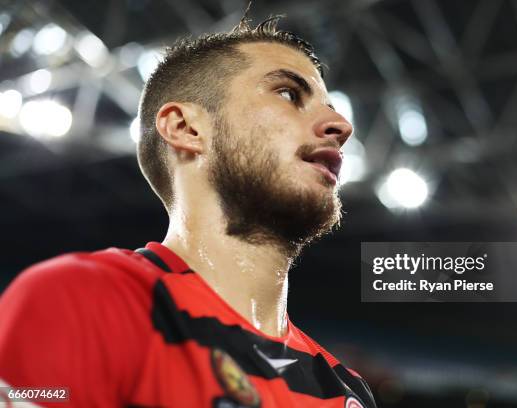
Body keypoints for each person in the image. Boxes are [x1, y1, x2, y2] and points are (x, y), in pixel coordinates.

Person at [0, 13, 376, 408]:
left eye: (330, 106)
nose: (341, 125)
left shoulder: (347, 390)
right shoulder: (82, 303)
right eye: (288, 94)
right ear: (186, 128)